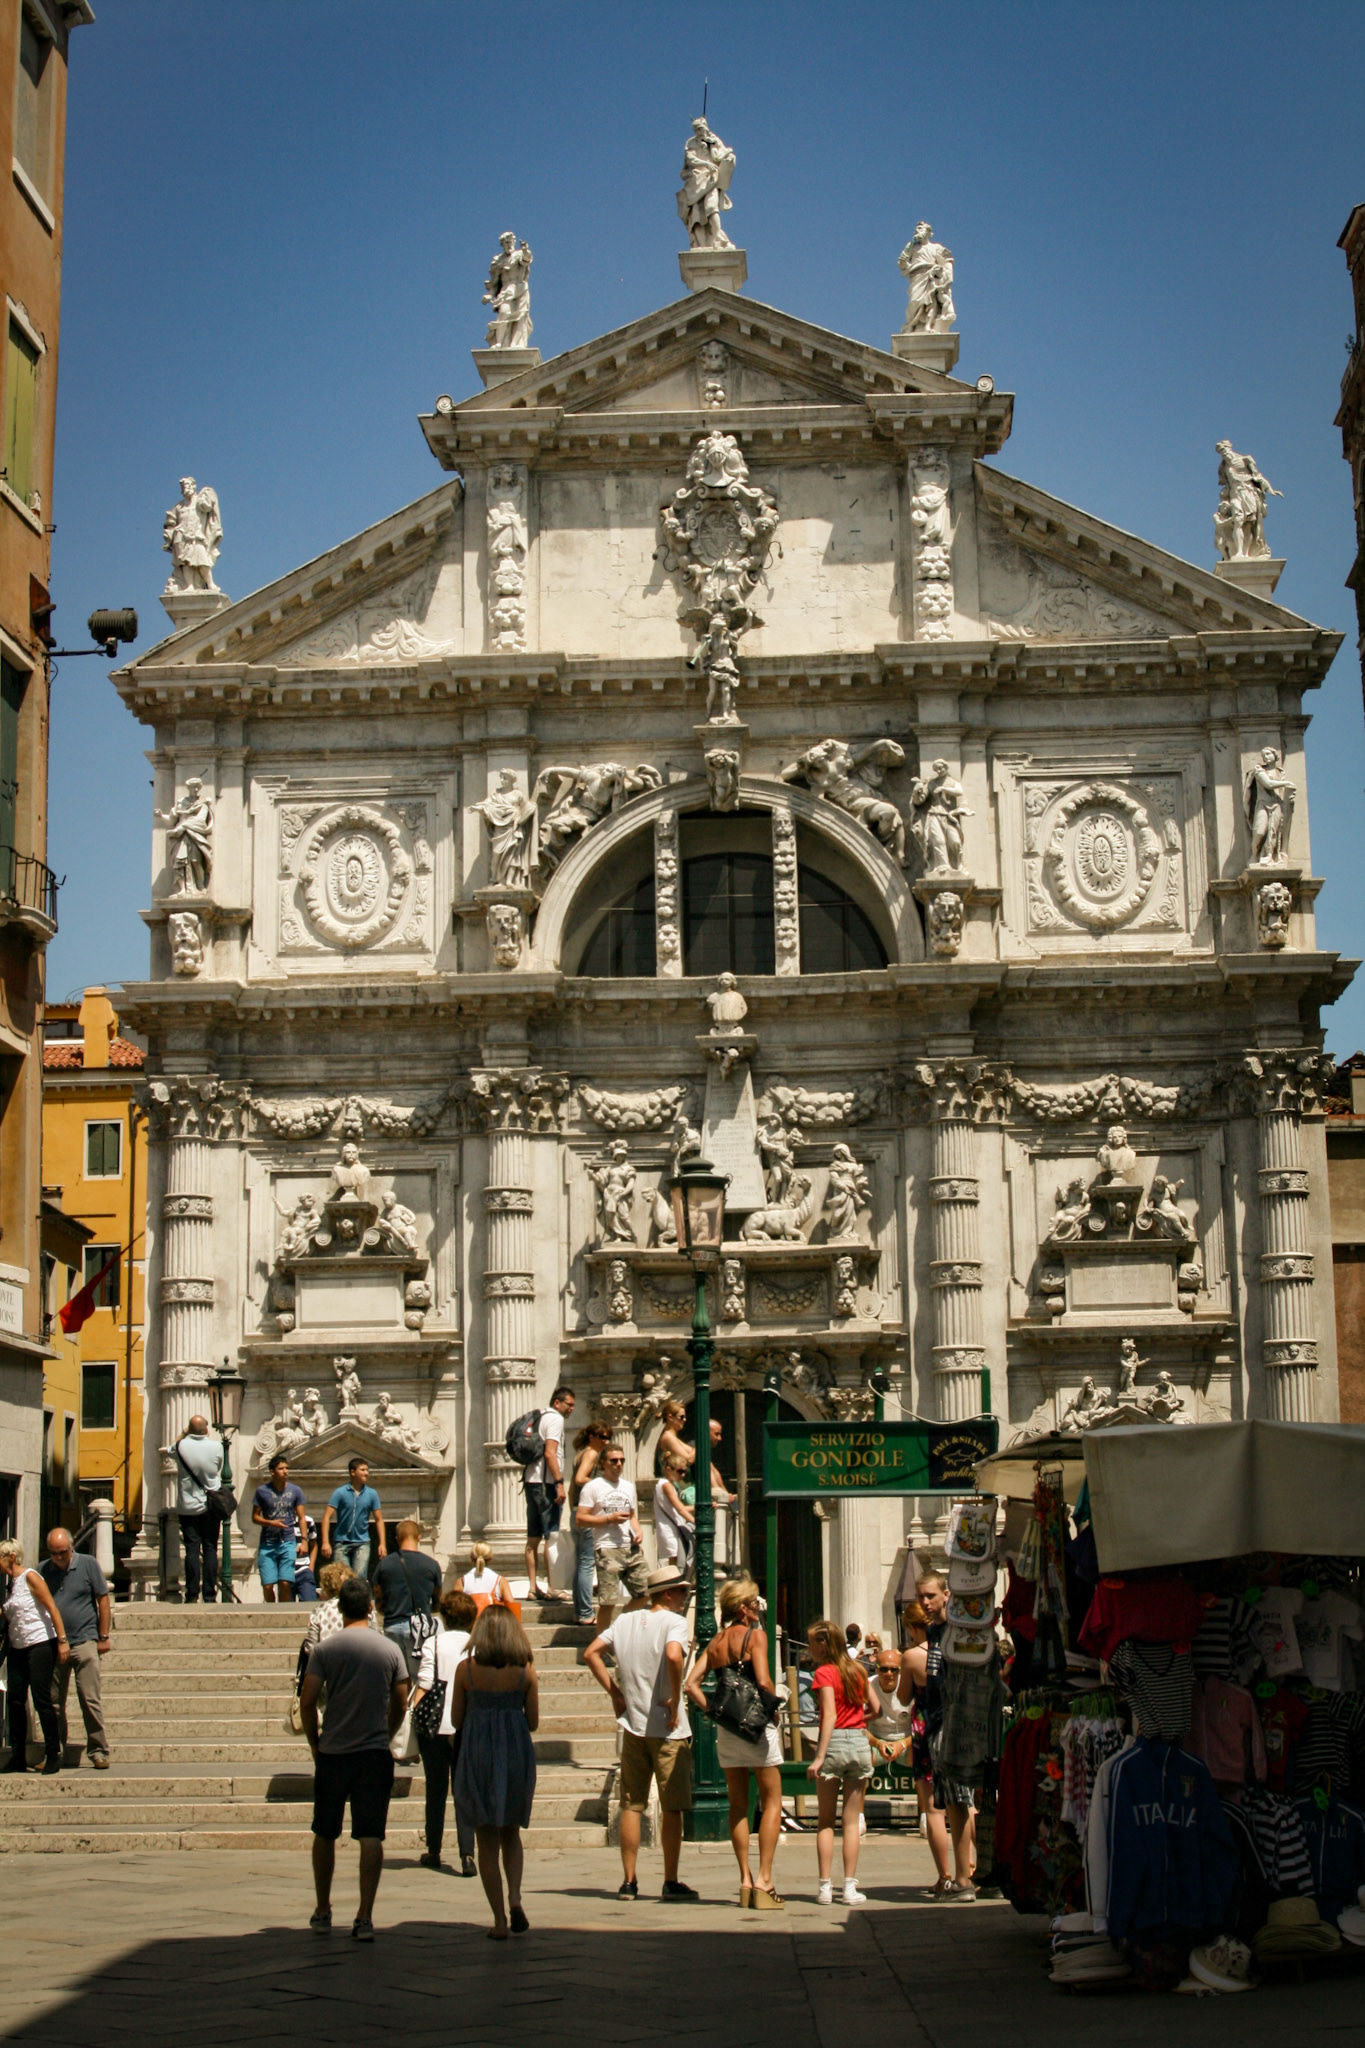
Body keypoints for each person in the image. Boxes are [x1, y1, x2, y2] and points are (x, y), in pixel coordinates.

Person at [299, 1577, 408, 1941]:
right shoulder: (389, 1649)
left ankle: (323, 1908)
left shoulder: (325, 1651)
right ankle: (364, 1915)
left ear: (340, 1609)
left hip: (333, 1751)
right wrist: (388, 1732)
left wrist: (316, 1743)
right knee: (371, 1835)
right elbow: (401, 1698)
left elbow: (307, 1700)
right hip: (373, 1752)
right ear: (371, 1608)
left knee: (324, 1832)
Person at [586, 1563, 699, 1902]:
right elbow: (673, 1655)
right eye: (682, 1591)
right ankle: (670, 1878)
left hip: (632, 1724)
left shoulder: (624, 1621)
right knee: (673, 1806)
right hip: (668, 1727)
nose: (685, 1596)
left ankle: (629, 1880)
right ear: (667, 1593)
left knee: (631, 1805)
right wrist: (676, 1695)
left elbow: (592, 1653)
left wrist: (615, 1692)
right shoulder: (674, 1622)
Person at [685, 1577, 783, 1909]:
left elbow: (691, 1684)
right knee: (771, 1802)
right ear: (743, 1609)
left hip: (728, 1729)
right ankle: (764, 1881)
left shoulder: (715, 1642)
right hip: (755, 1726)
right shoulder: (756, 1636)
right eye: (756, 1603)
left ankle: (744, 1880)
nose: (759, 1608)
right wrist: (773, 1709)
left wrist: (712, 1711)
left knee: (738, 1805)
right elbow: (765, 1679)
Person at [451, 1603, 539, 1939]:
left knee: (486, 1839)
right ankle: (516, 1897)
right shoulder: (524, 1672)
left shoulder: (466, 1671)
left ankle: (500, 1920)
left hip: (478, 1753)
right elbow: (533, 1722)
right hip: (515, 1753)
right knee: (511, 1833)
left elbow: (457, 1720)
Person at [901, 1574, 974, 1899]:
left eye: (930, 1596)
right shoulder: (934, 1632)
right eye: (920, 1597)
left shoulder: (958, 1630)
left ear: (946, 1594)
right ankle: (961, 1876)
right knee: (953, 1802)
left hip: (956, 1724)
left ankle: (965, 1877)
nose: (925, 1603)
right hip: (935, 1726)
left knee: (960, 1802)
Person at [411, 1587, 478, 1877]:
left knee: (435, 1788)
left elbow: (425, 1682)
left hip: (436, 1724)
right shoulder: (477, 1645)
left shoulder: (433, 1643)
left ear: (445, 1617)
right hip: (467, 1722)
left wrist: (410, 1718)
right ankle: (467, 1854)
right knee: (464, 1790)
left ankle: (435, 1850)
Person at [805, 1617, 873, 1905]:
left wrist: (819, 1757)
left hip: (833, 1744)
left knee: (825, 1821)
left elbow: (829, 1715)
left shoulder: (824, 1673)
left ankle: (824, 1887)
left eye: (811, 1644)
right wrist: (858, 1720)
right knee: (850, 1821)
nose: (809, 1650)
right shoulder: (857, 1670)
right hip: (858, 1741)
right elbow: (878, 1708)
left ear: (822, 1645)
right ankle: (848, 1887)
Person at [895, 1598, 953, 1896]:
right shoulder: (950, 1648)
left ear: (911, 1626)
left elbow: (904, 1697)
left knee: (932, 1808)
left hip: (925, 1728)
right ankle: (968, 1870)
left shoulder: (911, 1657)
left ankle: (944, 1875)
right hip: (953, 1726)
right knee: (963, 1803)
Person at [40, 1527, 111, 1769]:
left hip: (85, 1640)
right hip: (56, 1644)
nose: (58, 1558)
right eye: (53, 1553)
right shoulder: (42, 1570)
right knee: (53, 1702)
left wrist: (103, 1636)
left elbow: (103, 1599)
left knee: (89, 1698)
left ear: (71, 1548)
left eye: (62, 1552)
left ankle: (99, 1750)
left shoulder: (88, 1564)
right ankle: (55, 1750)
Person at [1, 1540, 68, 1772]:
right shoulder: (11, 1585)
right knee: (16, 1700)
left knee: (42, 1699)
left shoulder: (31, 1576)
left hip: (39, 1643)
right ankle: (18, 1756)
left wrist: (62, 1640)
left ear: (10, 1557)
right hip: (18, 1647)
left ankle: (52, 1754)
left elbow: (51, 1606)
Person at [576, 1442, 648, 1627]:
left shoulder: (628, 1486)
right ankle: (603, 1643)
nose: (619, 1464)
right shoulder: (593, 1487)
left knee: (646, 1592)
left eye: (622, 1461)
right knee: (608, 1601)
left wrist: (638, 1530)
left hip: (630, 1547)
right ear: (603, 1463)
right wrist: (608, 1519)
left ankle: (619, 1626)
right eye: (614, 1460)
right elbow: (581, 1518)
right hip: (607, 1547)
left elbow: (632, 1515)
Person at [524, 1385, 575, 1601]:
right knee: (551, 1536)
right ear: (557, 1402)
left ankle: (533, 1587)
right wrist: (559, 1482)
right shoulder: (555, 1419)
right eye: (569, 1404)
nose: (571, 1409)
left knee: (532, 1539)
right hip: (546, 1483)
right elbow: (550, 1453)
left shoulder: (539, 1416)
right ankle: (554, 1586)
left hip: (530, 1481)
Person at [372, 1519, 442, 1673]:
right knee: (419, 1677)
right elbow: (437, 1600)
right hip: (418, 1629)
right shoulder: (432, 1564)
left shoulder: (384, 1565)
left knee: (396, 1679)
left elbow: (378, 1597)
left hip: (392, 1625)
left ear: (397, 1539)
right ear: (419, 1537)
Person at [173, 1414, 225, 1604]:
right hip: (211, 1506)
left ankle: (192, 1593)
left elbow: (171, 1448)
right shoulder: (216, 1446)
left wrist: (184, 1433)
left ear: (189, 1429)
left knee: (192, 1550)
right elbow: (218, 1467)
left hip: (188, 1507)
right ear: (206, 1430)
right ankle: (210, 1594)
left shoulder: (180, 1446)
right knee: (211, 1549)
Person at [251, 1455, 308, 1604]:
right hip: (267, 1543)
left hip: (287, 1541)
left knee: (285, 1582)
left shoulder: (296, 1491)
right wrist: (271, 1523)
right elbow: (255, 1517)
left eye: (287, 1468)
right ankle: (271, 1608)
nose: (285, 1471)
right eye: (281, 1468)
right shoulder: (261, 1491)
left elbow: (302, 1517)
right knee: (268, 1585)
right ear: (272, 1472)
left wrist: (304, 1540)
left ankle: (284, 1609)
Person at [570, 1422, 611, 1625]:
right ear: (592, 1437)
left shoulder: (580, 1454)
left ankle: (579, 1611)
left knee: (580, 1563)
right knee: (587, 1564)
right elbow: (579, 1479)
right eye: (602, 1437)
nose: (606, 1441)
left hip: (576, 1512)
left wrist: (572, 1509)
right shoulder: (592, 1454)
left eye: (608, 1437)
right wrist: (602, 1485)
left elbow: (572, 1486)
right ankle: (586, 1612)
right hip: (585, 1515)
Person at [321, 1458, 386, 1577]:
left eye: (367, 1470)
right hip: (341, 1541)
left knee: (360, 1576)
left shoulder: (372, 1494)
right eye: (362, 1470)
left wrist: (382, 1543)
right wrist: (325, 1542)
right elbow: (326, 1517)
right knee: (342, 1577)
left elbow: (379, 1520)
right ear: (352, 1472)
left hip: (362, 1542)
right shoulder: (340, 1493)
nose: (366, 1473)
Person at [653, 1454, 695, 1575]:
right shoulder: (666, 1485)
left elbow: (678, 1508)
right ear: (668, 1469)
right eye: (680, 1471)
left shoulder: (669, 1485)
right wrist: (695, 1522)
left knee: (677, 1561)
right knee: (675, 1563)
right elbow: (680, 1509)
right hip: (669, 1529)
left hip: (672, 1528)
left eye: (684, 1472)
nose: (683, 1475)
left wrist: (697, 1507)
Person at [461, 1541, 516, 1617]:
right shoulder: (500, 1580)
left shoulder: (462, 1581)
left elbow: (454, 1605)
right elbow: (511, 1604)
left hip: (471, 1625)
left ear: (471, 1557)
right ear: (491, 1558)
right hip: (493, 1624)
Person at [295, 1514, 320, 1603]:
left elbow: (313, 1545)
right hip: (286, 1572)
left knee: (309, 1604)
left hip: (304, 1570)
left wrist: (311, 1567)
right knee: (287, 1608)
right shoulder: (280, 1522)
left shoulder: (308, 1521)